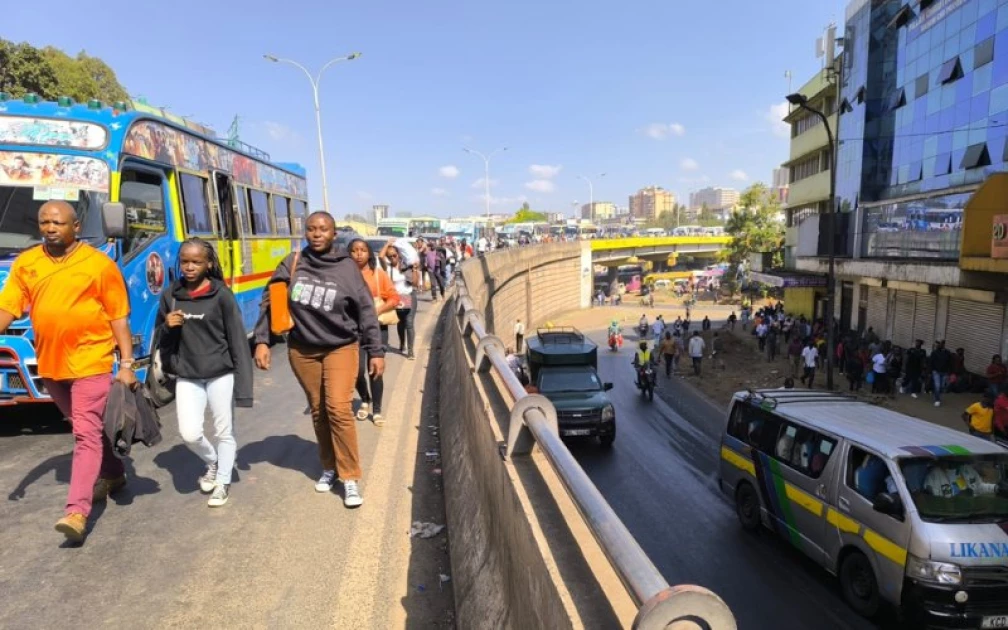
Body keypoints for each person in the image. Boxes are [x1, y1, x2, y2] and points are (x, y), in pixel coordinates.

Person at [0, 200, 136, 542]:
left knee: (84, 434)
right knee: (83, 424)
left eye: (57, 222)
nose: (49, 227)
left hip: (92, 360)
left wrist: (128, 363)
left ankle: (76, 511)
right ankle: (115, 472)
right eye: (44, 221)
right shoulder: (27, 263)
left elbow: (118, 315)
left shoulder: (99, 265)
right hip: (51, 364)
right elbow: (8, 307)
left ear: (76, 227)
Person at [254, 212, 384, 508]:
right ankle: (330, 467)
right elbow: (270, 300)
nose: (316, 234)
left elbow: (366, 311)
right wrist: (262, 340)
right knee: (318, 410)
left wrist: (376, 351)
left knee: (338, 408)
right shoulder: (293, 262)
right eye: (311, 229)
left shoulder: (347, 267)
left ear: (333, 233)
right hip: (303, 349)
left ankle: (350, 476)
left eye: (323, 229)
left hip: (341, 346)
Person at [156, 237, 253, 507]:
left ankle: (222, 482)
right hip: (188, 375)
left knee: (225, 431)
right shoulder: (171, 296)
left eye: (196, 262)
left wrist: (244, 389)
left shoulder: (221, 294)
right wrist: (167, 326)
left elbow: (237, 341)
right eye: (185, 261)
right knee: (189, 434)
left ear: (208, 263)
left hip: (220, 373)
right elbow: (162, 341)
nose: (189, 267)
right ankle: (215, 462)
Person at [348, 238, 399, 426]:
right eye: (354, 250)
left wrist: (375, 311)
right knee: (356, 370)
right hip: (353, 331)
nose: (359, 254)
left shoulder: (378, 275)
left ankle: (376, 410)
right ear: (349, 254)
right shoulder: (344, 277)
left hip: (377, 328)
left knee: (375, 369)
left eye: (362, 250)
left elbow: (394, 298)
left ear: (369, 253)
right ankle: (365, 399)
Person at [381, 240, 420, 360]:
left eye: (394, 255)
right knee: (400, 323)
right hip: (396, 298)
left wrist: (414, 270)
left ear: (399, 254)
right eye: (390, 256)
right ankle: (402, 343)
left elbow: (415, 283)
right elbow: (380, 256)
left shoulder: (408, 266)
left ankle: (411, 351)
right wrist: (388, 244)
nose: (392, 258)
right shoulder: (387, 268)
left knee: (409, 323)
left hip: (409, 296)